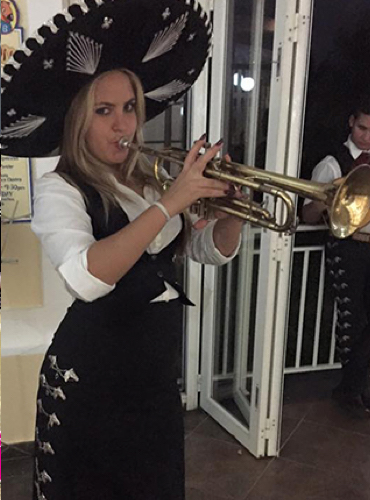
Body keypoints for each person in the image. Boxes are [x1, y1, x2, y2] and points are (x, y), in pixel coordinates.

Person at [2, 1, 237, 497]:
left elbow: (201, 251)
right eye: (103, 111)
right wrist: (173, 202)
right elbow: (85, 278)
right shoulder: (59, 188)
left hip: (151, 376)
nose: (122, 125)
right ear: (77, 121)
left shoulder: (147, 182)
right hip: (92, 378)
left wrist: (233, 213)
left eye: (129, 107)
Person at [301, 95, 370, 418]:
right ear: (351, 122)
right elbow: (308, 216)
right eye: (362, 127)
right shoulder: (331, 163)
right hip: (348, 247)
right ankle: (352, 391)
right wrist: (328, 197)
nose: (367, 136)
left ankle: (352, 387)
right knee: (354, 321)